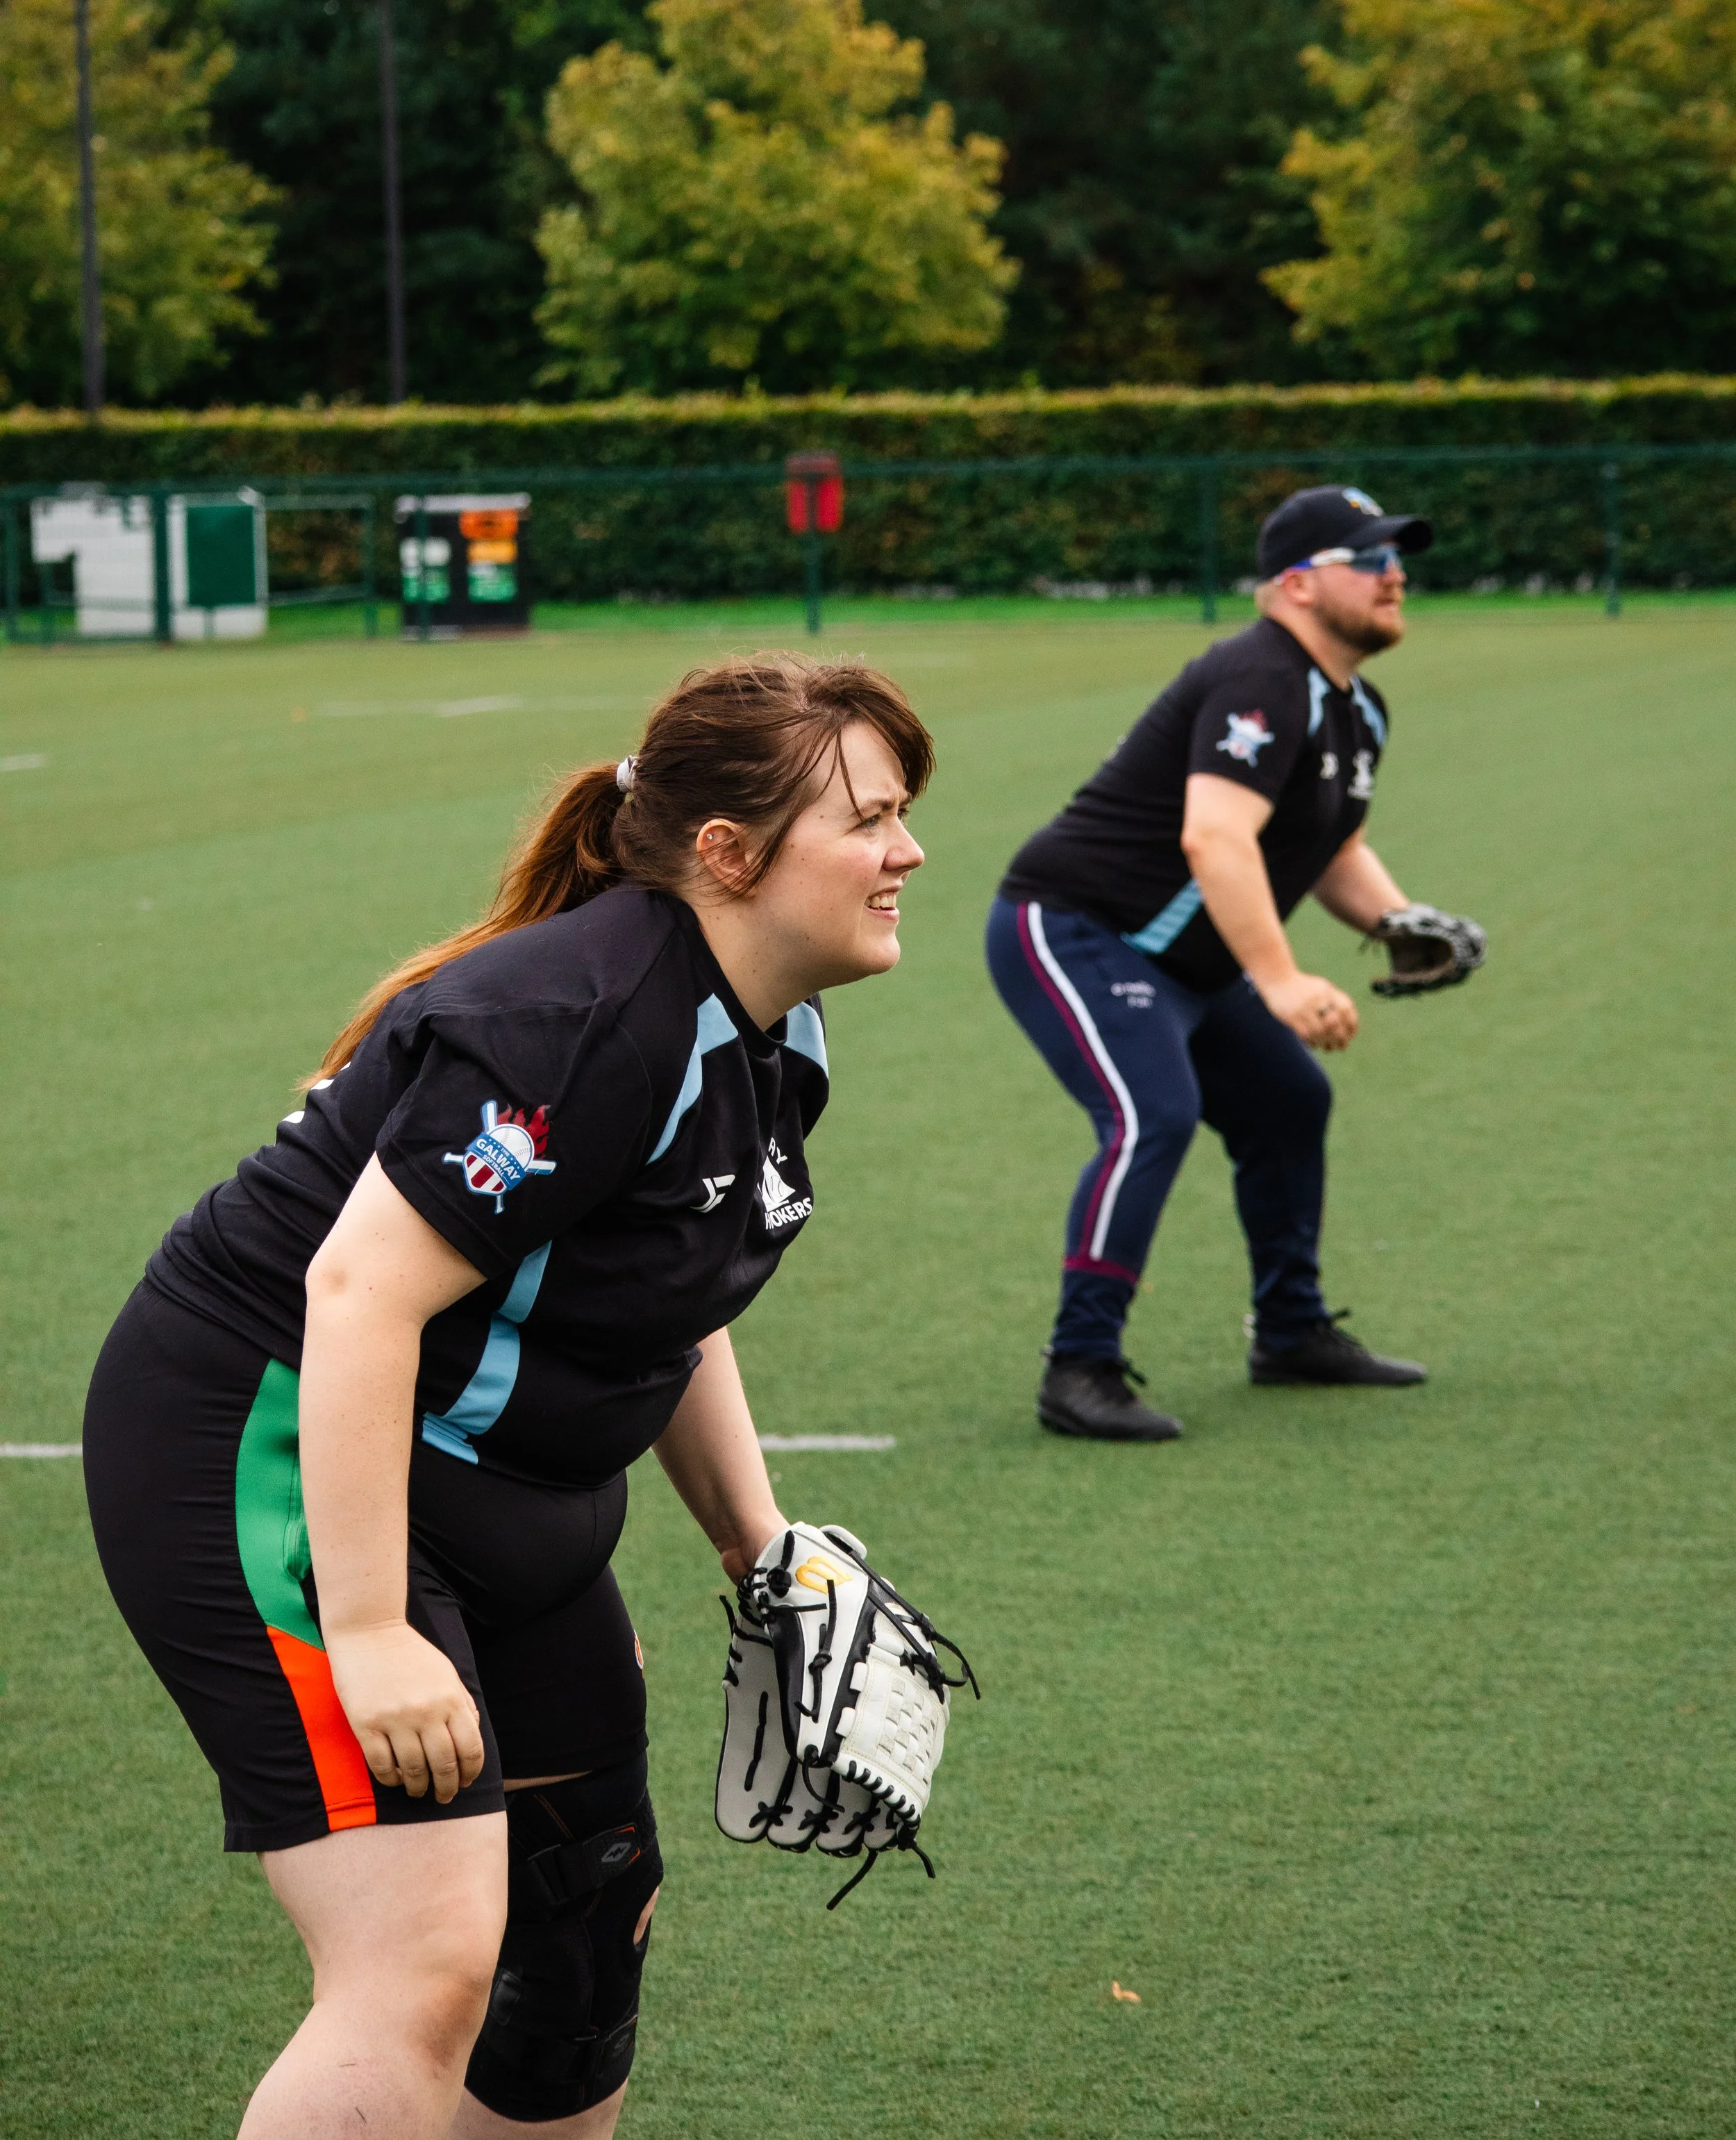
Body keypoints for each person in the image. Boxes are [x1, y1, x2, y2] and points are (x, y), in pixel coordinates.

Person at [83, 654, 933, 2139]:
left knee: (581, 1927)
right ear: (728, 855)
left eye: (901, 812)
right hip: (276, 1441)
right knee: (421, 1965)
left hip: (504, 1491)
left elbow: (670, 1303)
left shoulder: (768, 1028)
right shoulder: (587, 1013)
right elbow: (355, 1297)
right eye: (865, 817)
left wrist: (761, 1546)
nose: (906, 850)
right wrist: (365, 1627)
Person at [987, 483, 1462, 1443]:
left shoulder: (1356, 708)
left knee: (1291, 1102)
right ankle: (1078, 1366)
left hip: (1182, 962)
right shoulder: (1263, 677)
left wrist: (1403, 920)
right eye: (1368, 559)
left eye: (1396, 557)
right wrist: (1283, 982)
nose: (1394, 574)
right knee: (1150, 1113)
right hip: (1077, 929)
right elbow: (1217, 837)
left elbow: (1330, 847)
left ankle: (1289, 1332)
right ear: (1294, 585)